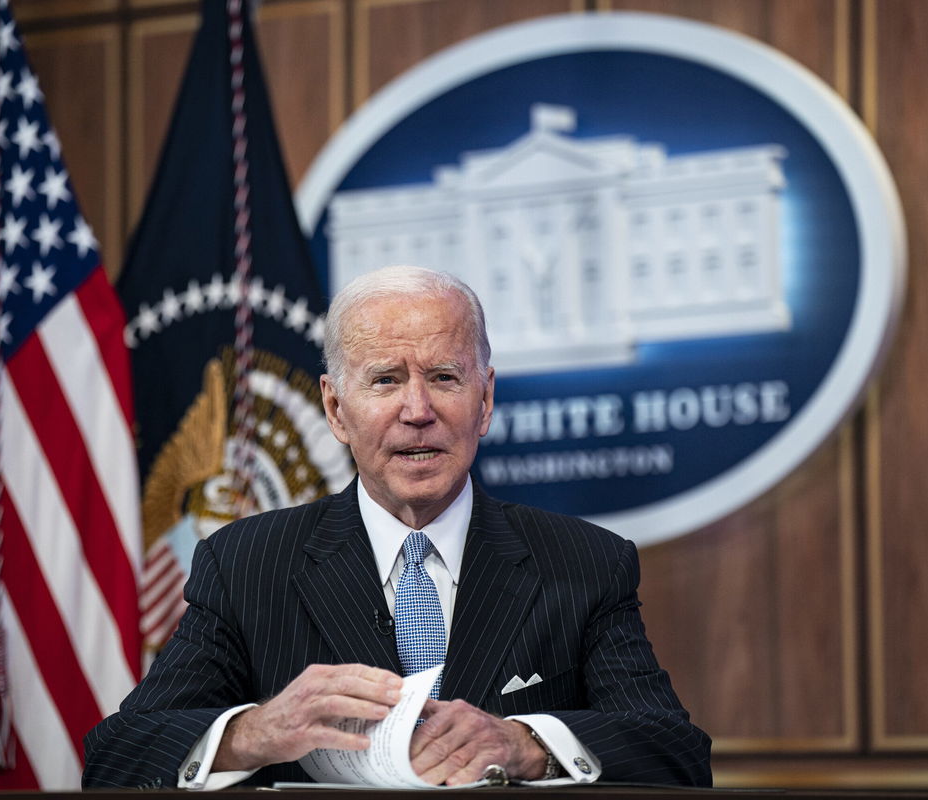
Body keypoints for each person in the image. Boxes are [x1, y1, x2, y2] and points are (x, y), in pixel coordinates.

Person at [82, 266, 711, 789]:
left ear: (484, 401)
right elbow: (117, 755)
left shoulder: (583, 563)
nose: (418, 412)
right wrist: (255, 733)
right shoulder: (246, 563)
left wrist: (526, 745)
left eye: (444, 378)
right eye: (385, 380)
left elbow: (675, 754)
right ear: (335, 408)